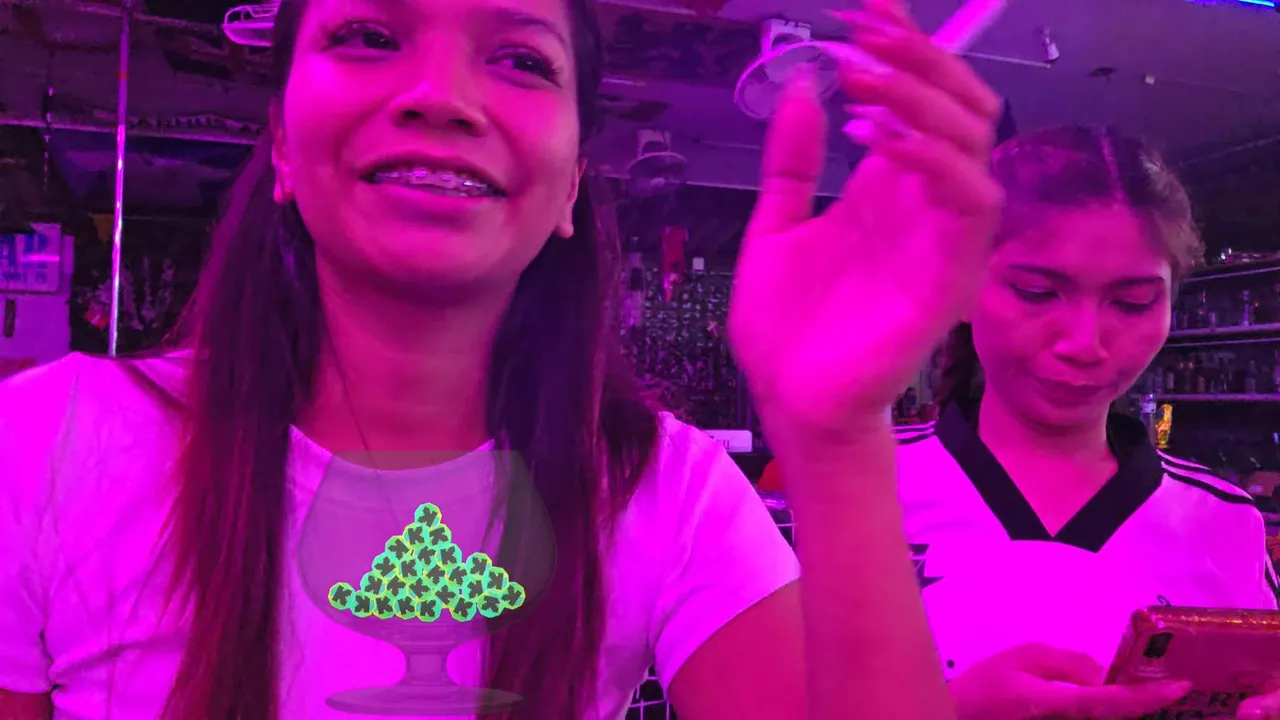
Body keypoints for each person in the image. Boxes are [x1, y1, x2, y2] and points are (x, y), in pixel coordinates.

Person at [0, 0, 1003, 718]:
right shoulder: (49, 443)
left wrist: (836, 436)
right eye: (369, 36)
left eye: (521, 59)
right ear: (283, 147)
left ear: (571, 184)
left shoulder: (663, 491)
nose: (441, 97)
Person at [893, 125, 1280, 720]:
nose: (1084, 343)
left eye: (1132, 303)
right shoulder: (856, 485)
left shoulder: (1222, 523)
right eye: (1036, 292)